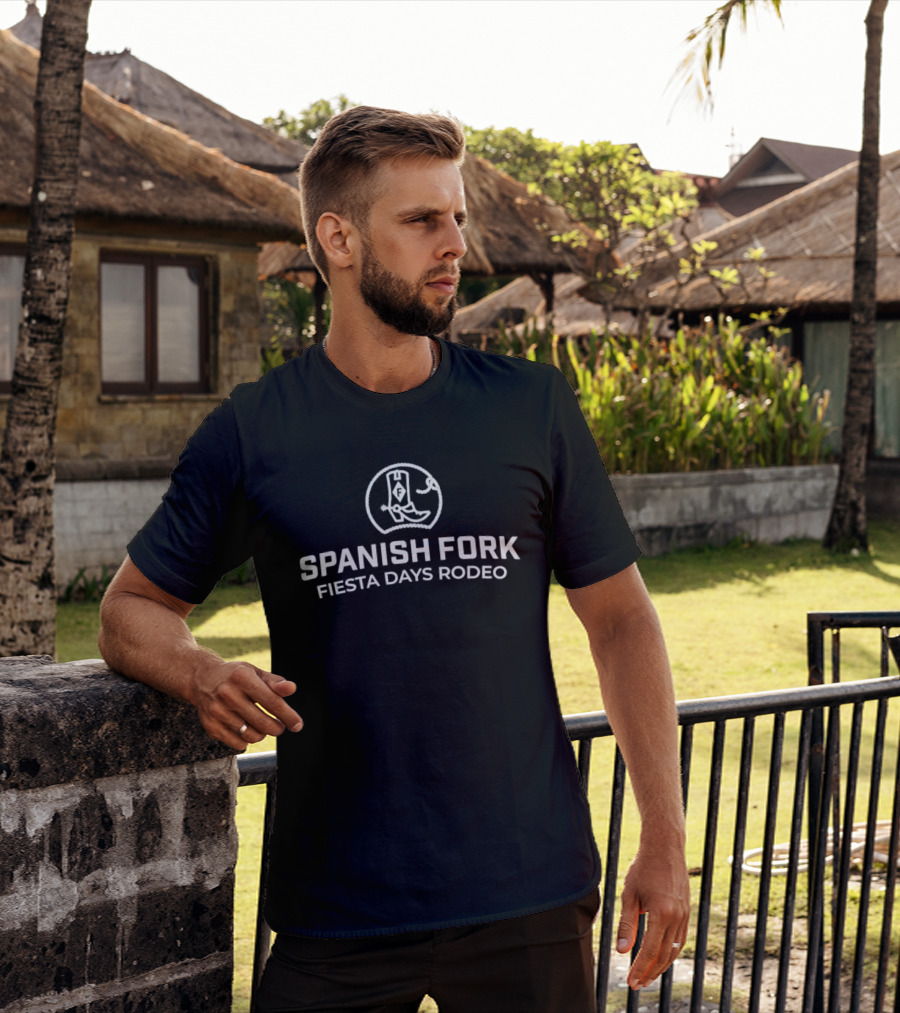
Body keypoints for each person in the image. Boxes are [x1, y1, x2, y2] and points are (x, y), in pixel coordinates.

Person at [99, 105, 689, 1013]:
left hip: (529, 890)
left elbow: (621, 621)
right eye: (421, 220)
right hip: (337, 906)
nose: (454, 243)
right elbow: (127, 609)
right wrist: (200, 671)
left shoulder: (529, 407)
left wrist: (664, 836)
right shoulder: (256, 432)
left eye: (457, 216)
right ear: (339, 238)